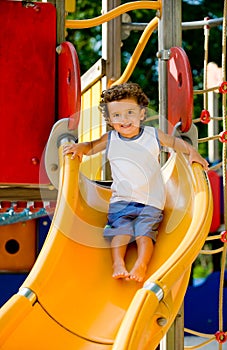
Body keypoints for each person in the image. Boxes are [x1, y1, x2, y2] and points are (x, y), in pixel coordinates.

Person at [63, 82, 209, 283]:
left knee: (144, 233)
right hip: (121, 200)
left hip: (151, 201)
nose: (124, 120)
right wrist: (79, 148)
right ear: (109, 120)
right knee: (120, 231)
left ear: (141, 114)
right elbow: (91, 147)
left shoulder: (152, 135)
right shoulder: (111, 138)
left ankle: (141, 263)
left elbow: (176, 144)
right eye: (117, 116)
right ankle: (118, 263)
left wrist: (193, 153)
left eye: (130, 112)